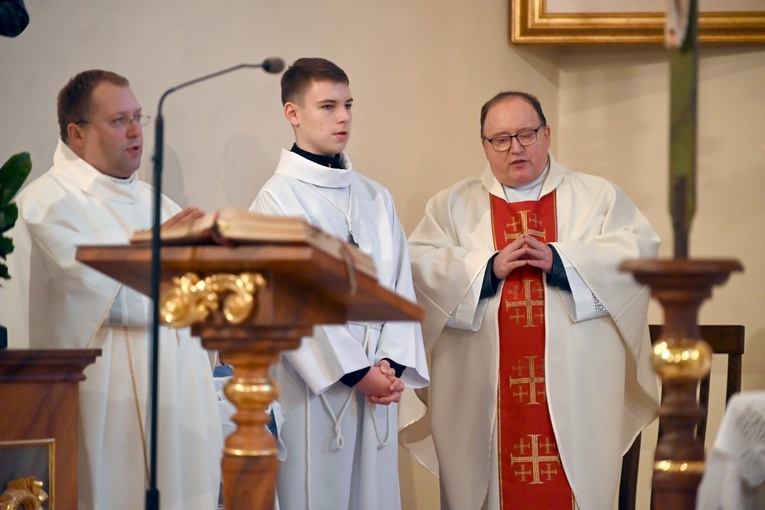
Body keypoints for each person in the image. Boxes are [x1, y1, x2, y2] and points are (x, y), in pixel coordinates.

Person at [407, 91, 660, 510]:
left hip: (578, 392)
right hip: (480, 392)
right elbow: (418, 268)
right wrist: (486, 268)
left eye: (526, 134)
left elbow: (639, 255)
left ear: (547, 134)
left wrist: (563, 261)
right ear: (485, 146)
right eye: (501, 139)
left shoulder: (599, 198)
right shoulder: (451, 206)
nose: (515, 148)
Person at [0, 70, 222, 510]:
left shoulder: (159, 204)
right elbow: (81, 295)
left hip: (179, 412)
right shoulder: (43, 205)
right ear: (76, 133)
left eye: (138, 116)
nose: (137, 130)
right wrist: (152, 258)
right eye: (120, 120)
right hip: (104, 410)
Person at [249, 57, 429, 510]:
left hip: (376, 384)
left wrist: (388, 363)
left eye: (348, 104)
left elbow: (399, 286)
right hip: (316, 391)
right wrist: (356, 372)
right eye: (327, 106)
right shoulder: (276, 199)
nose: (344, 117)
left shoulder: (373, 195)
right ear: (293, 113)